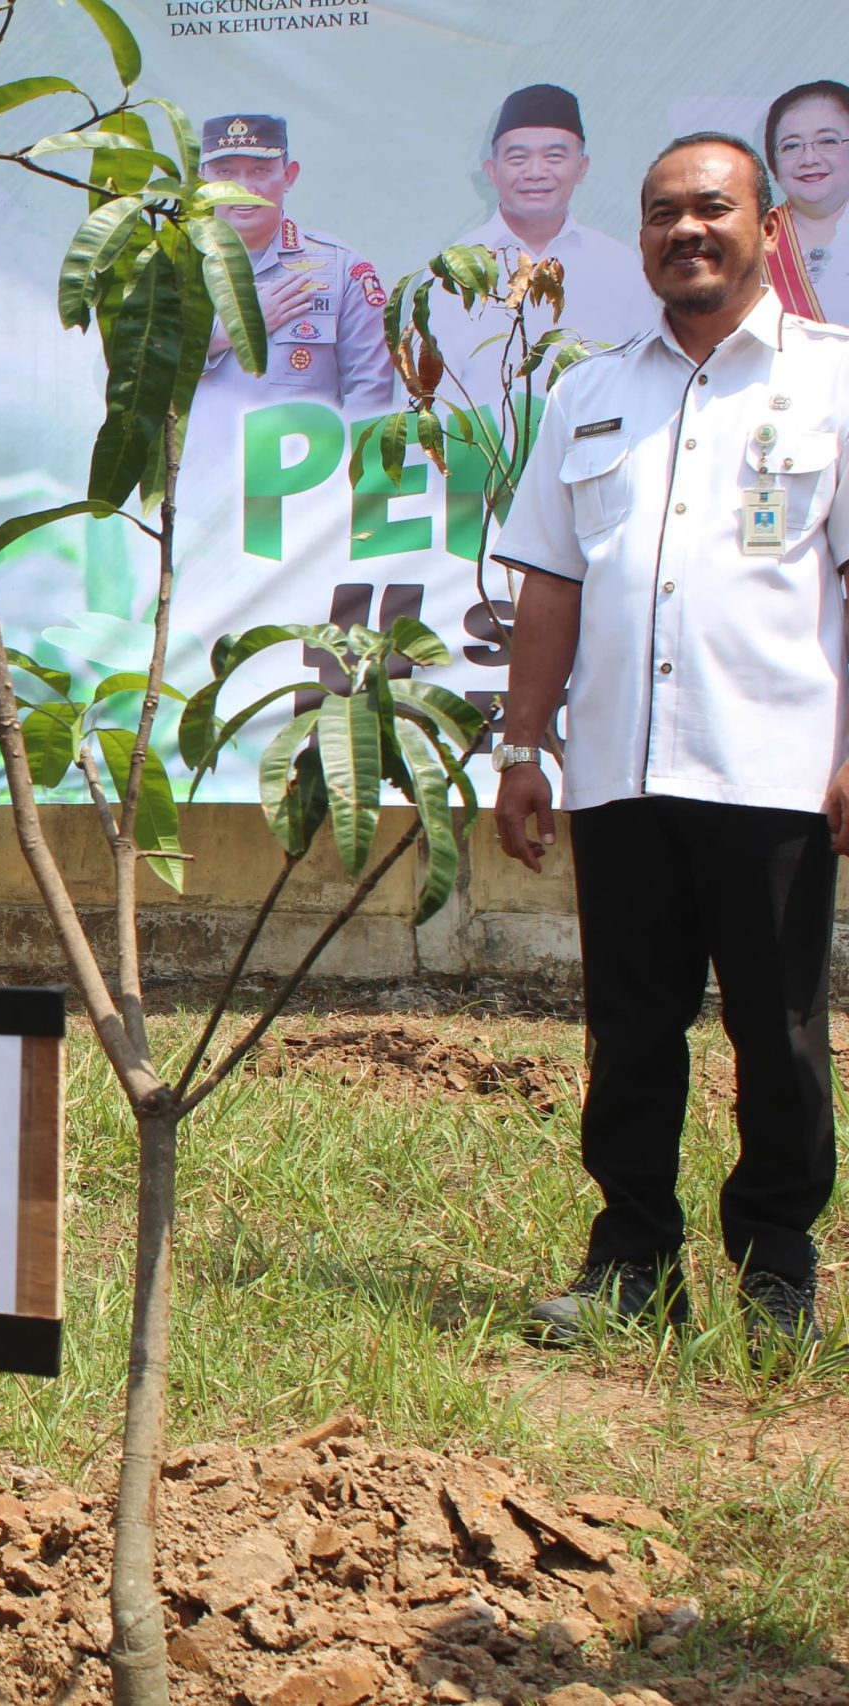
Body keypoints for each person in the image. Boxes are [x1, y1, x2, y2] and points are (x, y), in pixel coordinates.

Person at [488, 132, 846, 1363]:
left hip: (775, 768)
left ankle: (777, 1275)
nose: (685, 231)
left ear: (765, 226)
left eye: (710, 209)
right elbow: (549, 586)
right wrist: (522, 748)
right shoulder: (590, 393)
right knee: (630, 1031)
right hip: (624, 777)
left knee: (779, 1031)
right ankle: (631, 1263)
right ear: (637, 235)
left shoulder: (831, 384)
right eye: (659, 214)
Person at [443, 85, 655, 403]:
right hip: (482, 451)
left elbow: (648, 378)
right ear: (492, 171)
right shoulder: (454, 270)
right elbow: (426, 397)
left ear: (581, 168)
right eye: (518, 158)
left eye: (554, 157)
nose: (536, 173)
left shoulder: (619, 266)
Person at [192, 114, 399, 421]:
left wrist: (339, 465)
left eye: (261, 170)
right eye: (226, 172)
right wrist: (227, 332)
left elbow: (370, 392)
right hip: (195, 463)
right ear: (202, 179)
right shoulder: (169, 267)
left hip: (305, 464)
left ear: (289, 176)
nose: (243, 187)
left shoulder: (342, 268)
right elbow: (133, 373)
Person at [765, 80, 849, 323]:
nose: (809, 158)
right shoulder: (752, 242)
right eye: (791, 146)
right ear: (773, 163)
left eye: (828, 141)